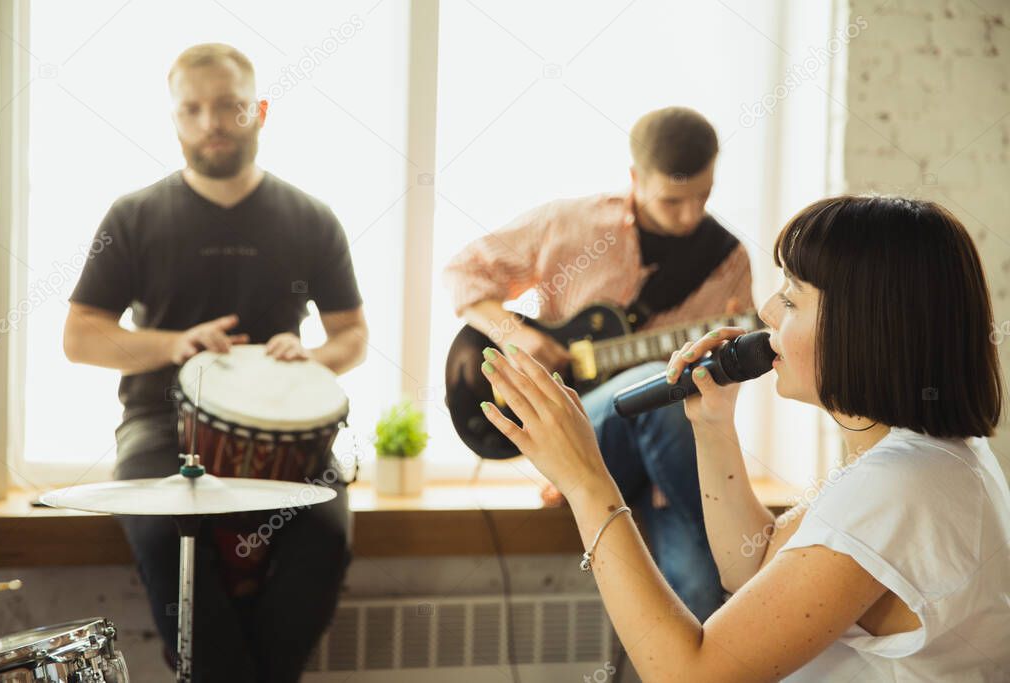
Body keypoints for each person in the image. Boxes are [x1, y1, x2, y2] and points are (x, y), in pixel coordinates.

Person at [476, 195, 1010, 680]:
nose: (766, 311)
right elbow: (752, 568)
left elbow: (691, 674)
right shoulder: (918, 459)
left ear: (863, 328)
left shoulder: (899, 488)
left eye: (794, 299)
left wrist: (588, 485)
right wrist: (711, 426)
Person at [63, 43, 368, 682]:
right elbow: (81, 337)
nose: (211, 123)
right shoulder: (135, 215)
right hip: (159, 424)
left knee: (325, 538)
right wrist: (172, 345)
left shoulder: (312, 218)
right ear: (175, 119)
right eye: (192, 109)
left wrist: (311, 359)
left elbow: (353, 337)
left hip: (290, 433)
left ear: (257, 110)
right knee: (166, 536)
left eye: (228, 107)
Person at [444, 107, 754, 620]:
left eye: (704, 195)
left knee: (700, 595)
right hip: (579, 425)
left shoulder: (729, 258)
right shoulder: (569, 224)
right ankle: (742, 549)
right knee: (656, 384)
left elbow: (731, 373)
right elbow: (462, 273)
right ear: (634, 179)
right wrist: (516, 333)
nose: (690, 215)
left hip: (670, 457)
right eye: (672, 200)